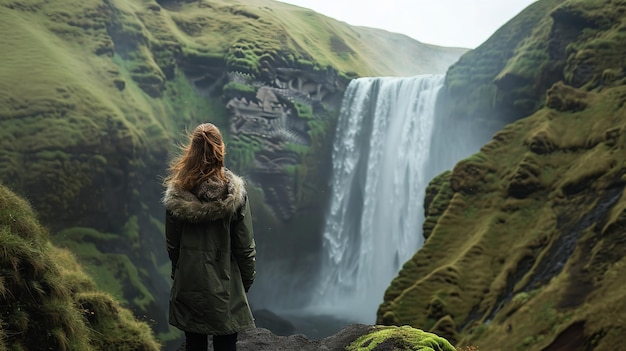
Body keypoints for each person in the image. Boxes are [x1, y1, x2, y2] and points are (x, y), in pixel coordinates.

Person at [162, 123, 256, 351]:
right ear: (220, 150)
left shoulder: (177, 195)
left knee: (195, 343)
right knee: (226, 344)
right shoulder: (234, 196)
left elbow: (172, 245)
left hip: (190, 282)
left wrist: (180, 273)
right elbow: (245, 247)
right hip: (226, 285)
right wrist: (244, 282)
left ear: (190, 151)